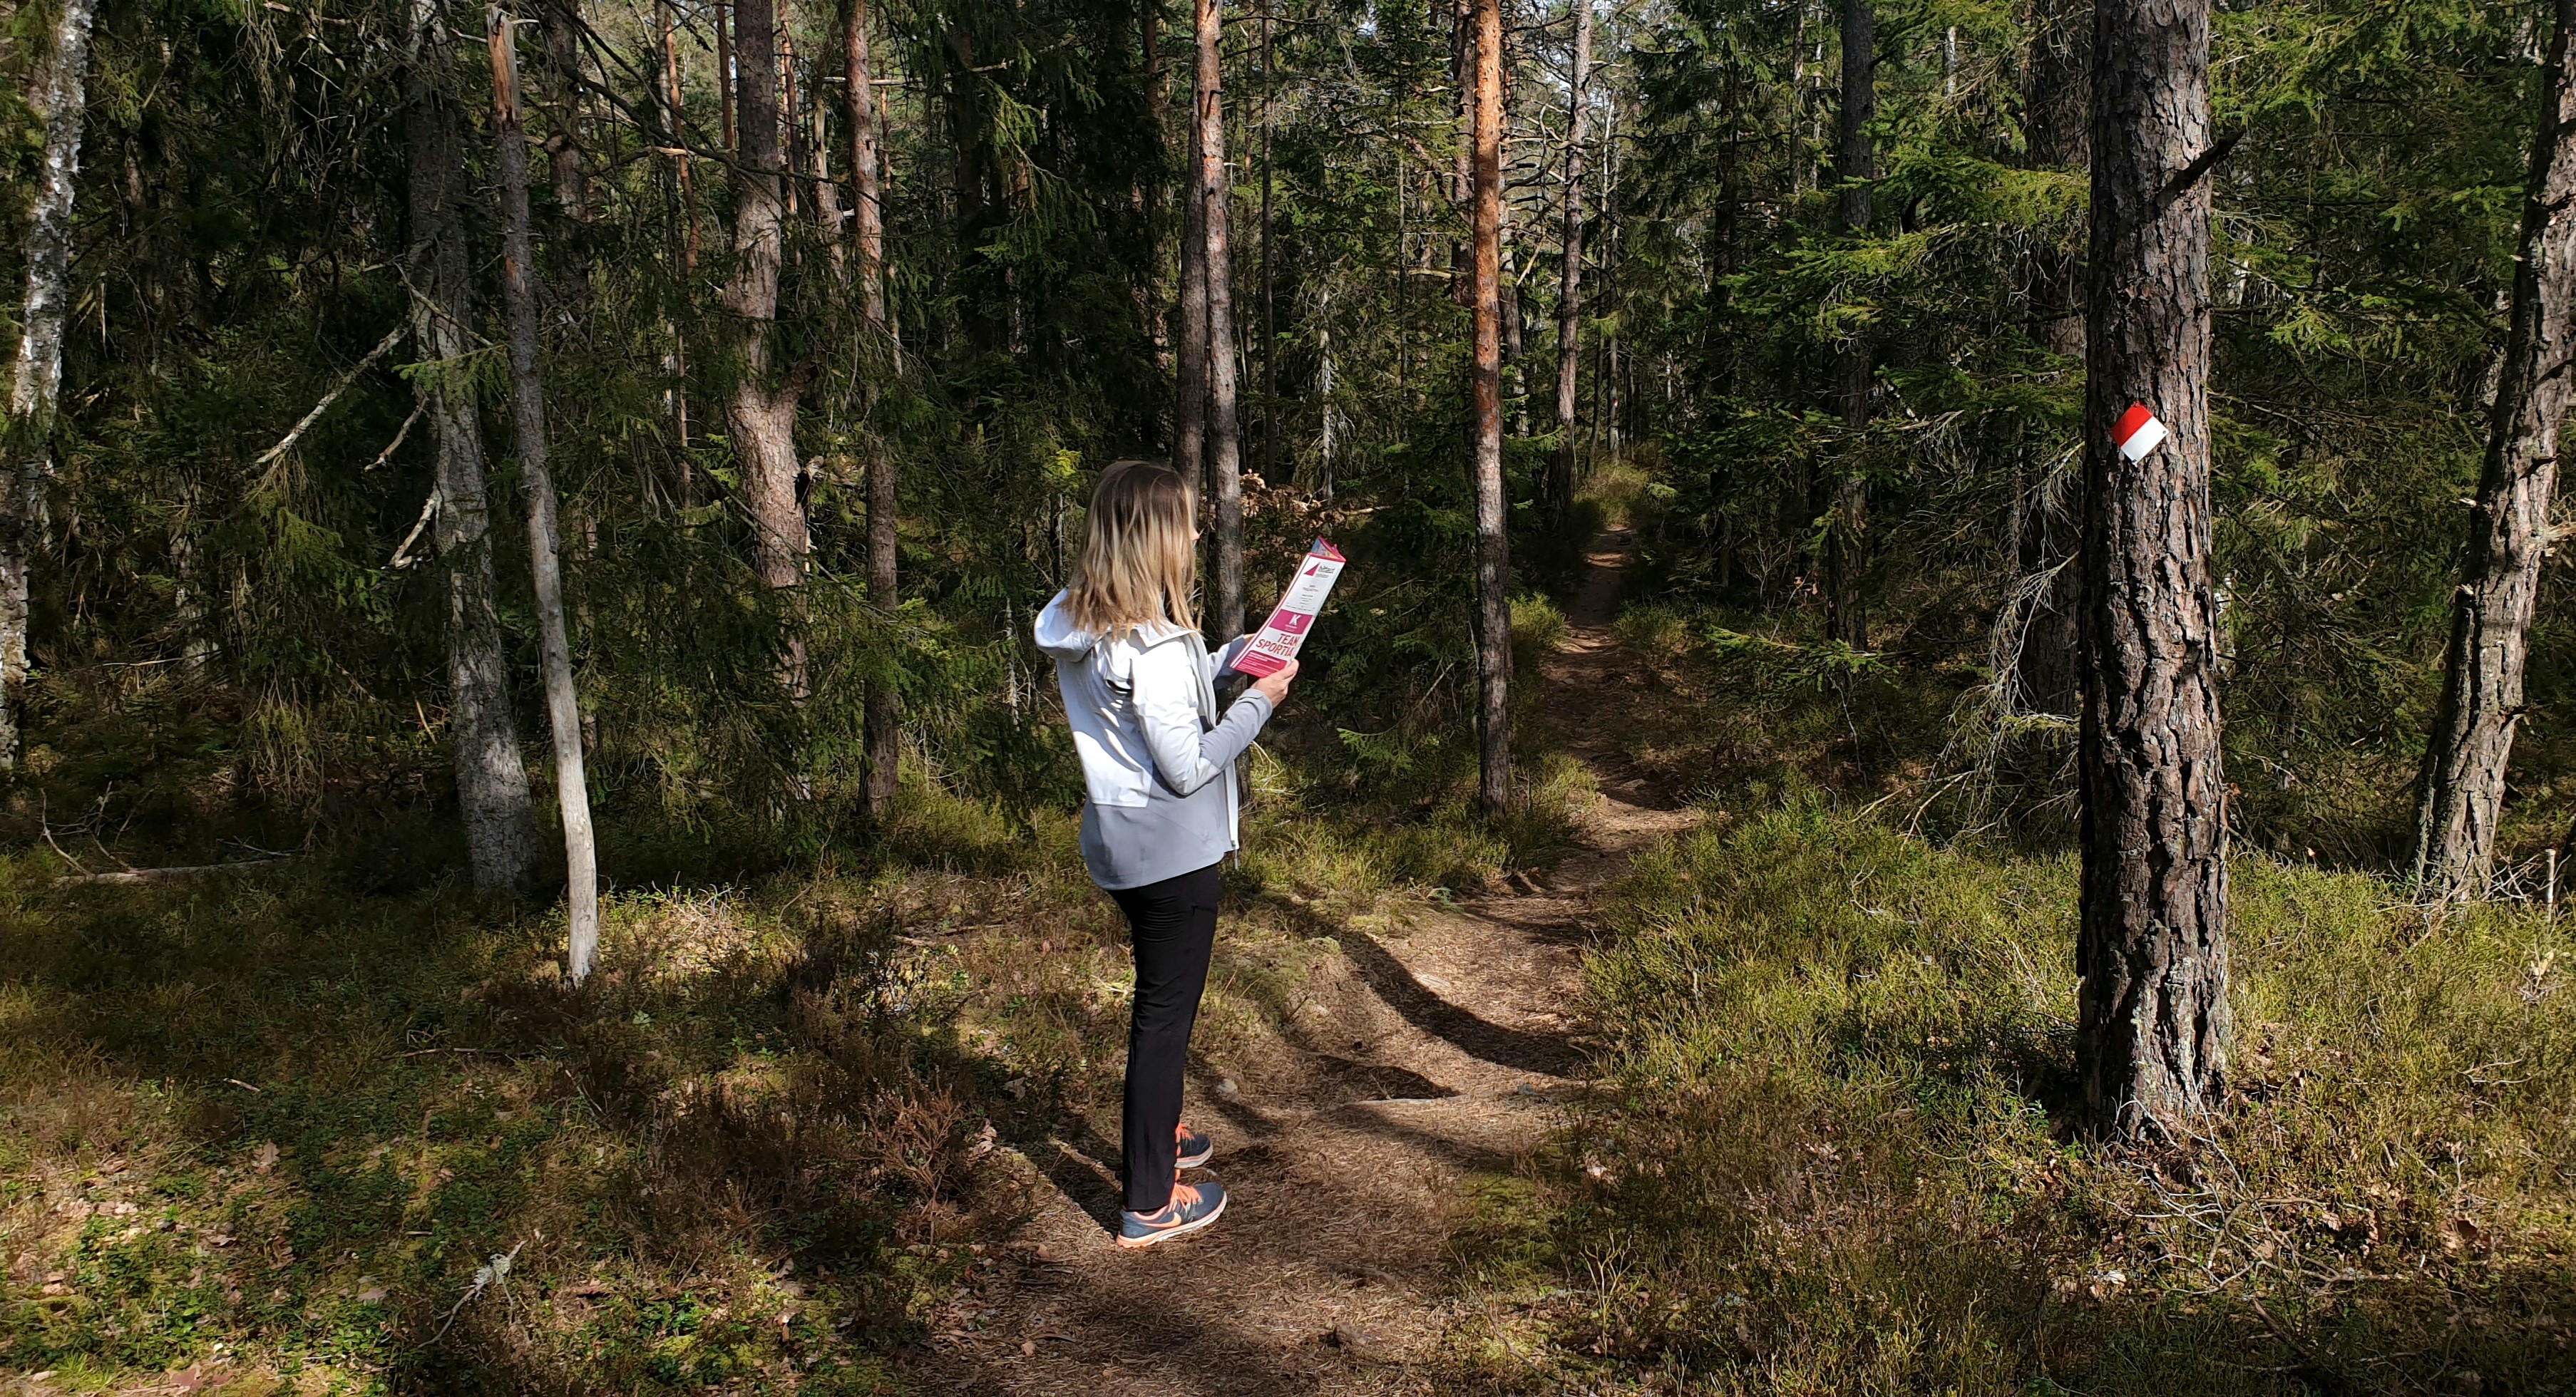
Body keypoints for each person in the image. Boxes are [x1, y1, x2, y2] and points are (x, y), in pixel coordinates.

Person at [1032, 460, 1298, 1249]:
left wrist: (1229, 658)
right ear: (1152, 538)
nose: (1194, 536)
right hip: (1171, 855)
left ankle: (1160, 1133)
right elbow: (1187, 765)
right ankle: (1148, 1202)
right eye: (1183, 524)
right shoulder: (1150, 646)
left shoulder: (1082, 620)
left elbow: (1151, 701)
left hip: (1117, 840)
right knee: (1164, 1021)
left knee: (1158, 1007)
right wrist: (1259, 703)